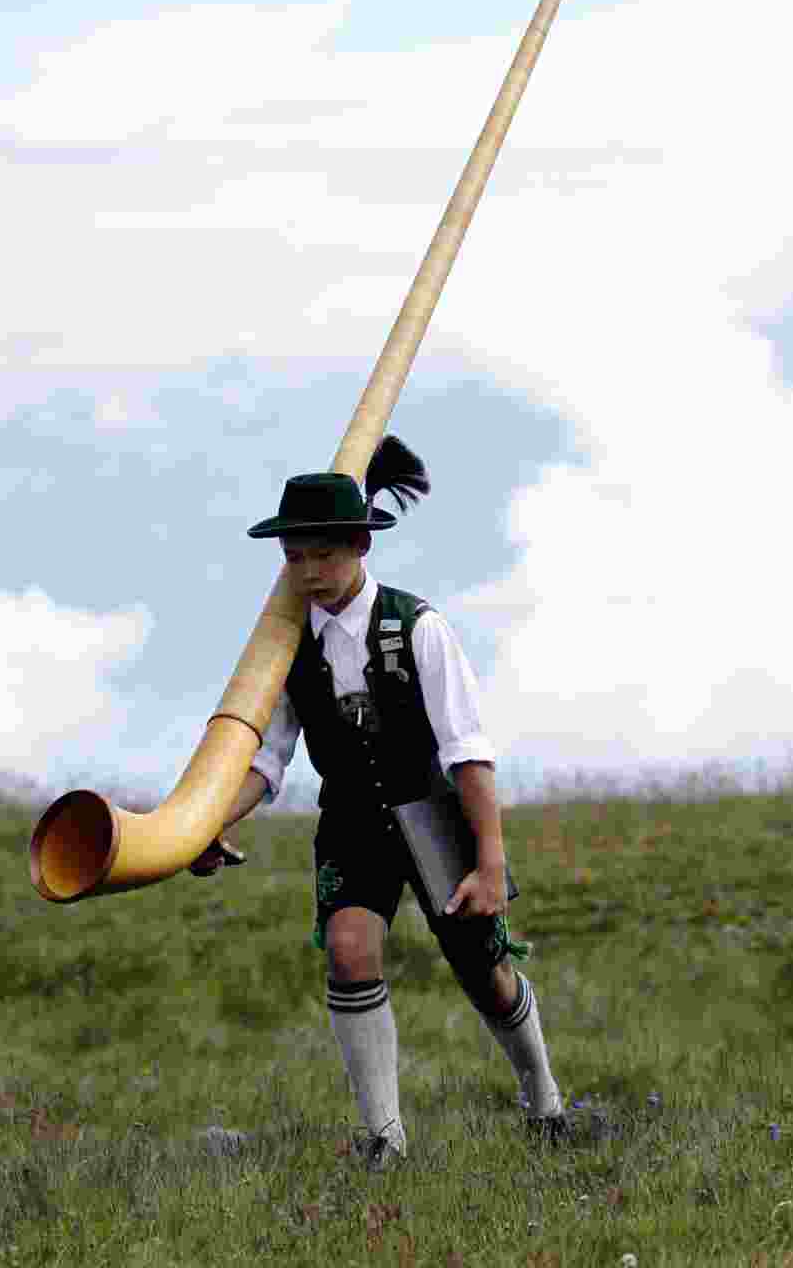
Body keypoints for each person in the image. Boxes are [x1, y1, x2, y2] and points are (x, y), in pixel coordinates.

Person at [190, 435, 567, 1170]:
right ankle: (384, 1140)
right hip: (352, 821)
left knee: (484, 974)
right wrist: (207, 824)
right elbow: (267, 759)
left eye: (324, 554)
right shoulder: (286, 648)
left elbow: (468, 752)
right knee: (348, 949)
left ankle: (546, 1103)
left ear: (361, 544)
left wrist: (490, 864)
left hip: (432, 812)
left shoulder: (418, 626)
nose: (310, 572)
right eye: (295, 557)